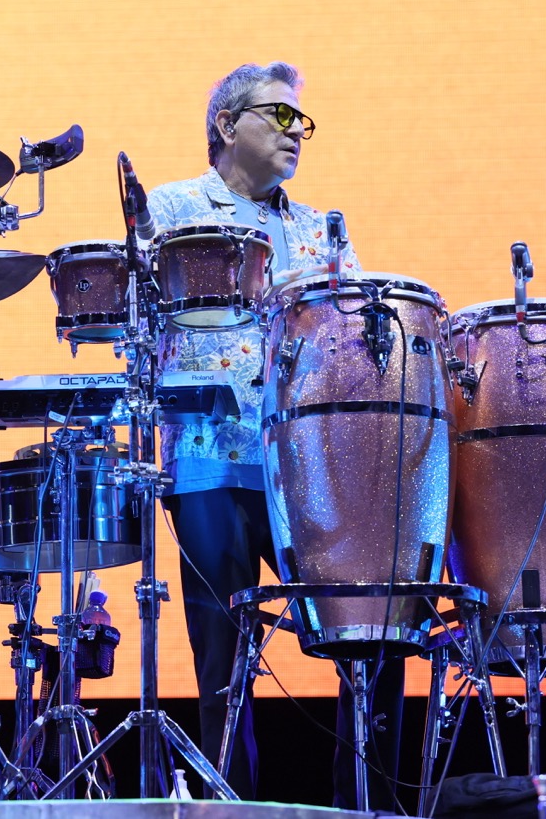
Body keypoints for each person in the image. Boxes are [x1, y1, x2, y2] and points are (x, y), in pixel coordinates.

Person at [147, 61, 403, 808]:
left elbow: (359, 339)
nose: (296, 133)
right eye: (279, 116)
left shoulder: (323, 229)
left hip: (312, 469)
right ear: (227, 125)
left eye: (302, 121)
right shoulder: (172, 207)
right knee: (223, 661)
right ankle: (233, 807)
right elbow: (140, 320)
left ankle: (364, 804)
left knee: (377, 628)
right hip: (212, 457)